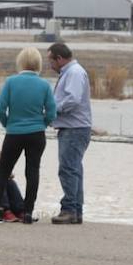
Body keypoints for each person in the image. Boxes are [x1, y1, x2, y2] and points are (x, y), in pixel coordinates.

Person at [0, 47, 56, 224]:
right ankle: (27, 211)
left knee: (3, 171)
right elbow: (52, 111)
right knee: (32, 171)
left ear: (20, 62)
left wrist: (7, 123)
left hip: (14, 132)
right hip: (36, 133)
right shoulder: (44, 85)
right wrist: (43, 123)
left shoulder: (11, 82)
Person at [48, 41, 91, 224]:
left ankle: (69, 209)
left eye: (50, 60)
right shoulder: (73, 72)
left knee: (68, 169)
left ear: (59, 58)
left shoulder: (73, 72)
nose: (50, 65)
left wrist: (53, 109)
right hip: (75, 127)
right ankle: (75, 209)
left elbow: (73, 99)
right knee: (74, 170)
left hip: (74, 128)